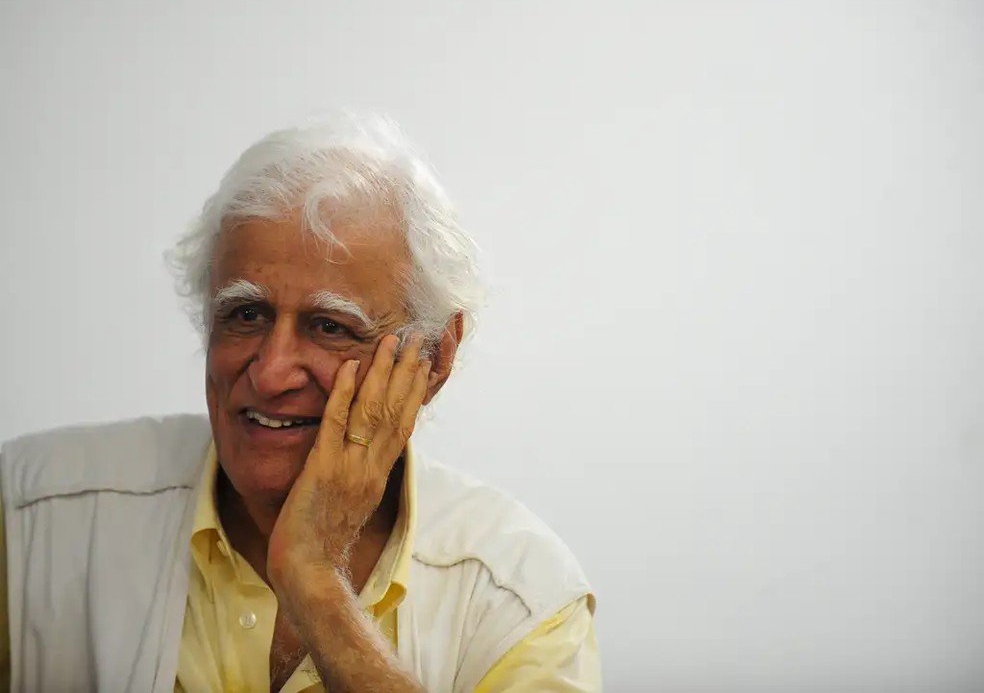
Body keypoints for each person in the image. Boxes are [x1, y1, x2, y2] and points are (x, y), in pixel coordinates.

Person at [0, 113, 600, 692]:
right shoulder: (30, 517)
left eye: (330, 326)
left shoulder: (520, 598)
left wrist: (315, 581)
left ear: (435, 358)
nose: (270, 373)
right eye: (246, 314)